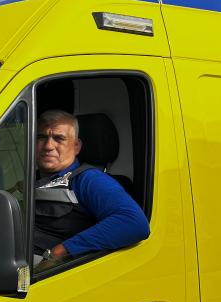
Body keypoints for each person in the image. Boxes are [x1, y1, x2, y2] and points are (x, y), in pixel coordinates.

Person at [34, 110, 149, 268]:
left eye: (59, 138)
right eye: (41, 137)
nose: (48, 146)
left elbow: (134, 223)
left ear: (76, 146)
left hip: (46, 273)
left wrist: (58, 253)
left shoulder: (88, 179)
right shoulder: (31, 179)